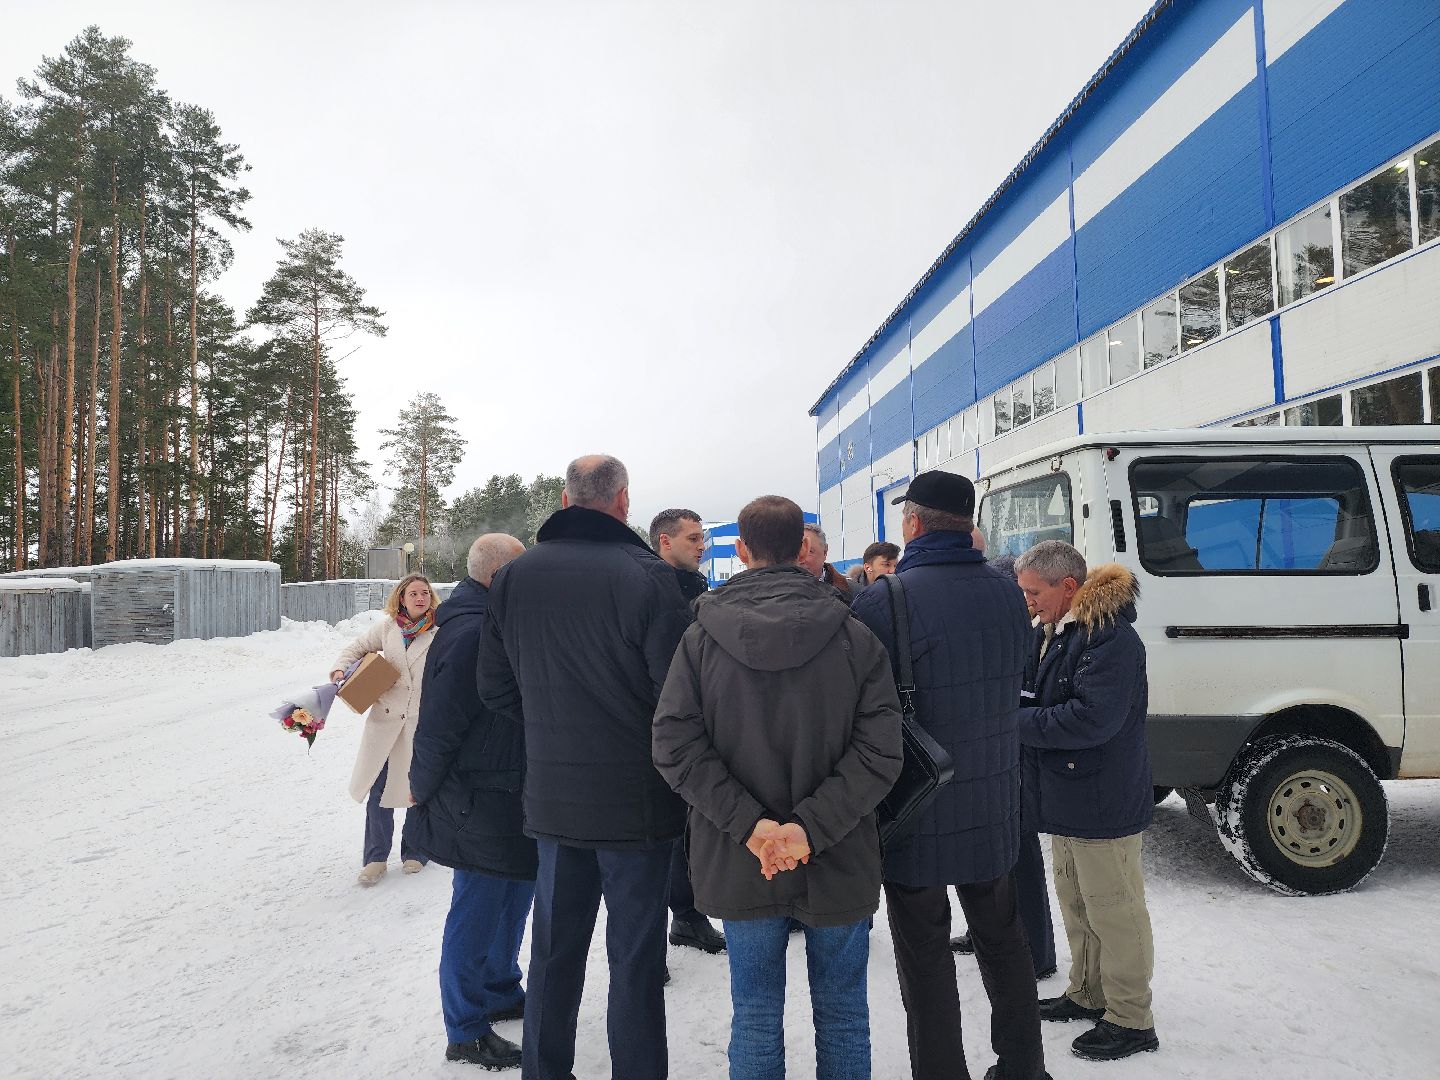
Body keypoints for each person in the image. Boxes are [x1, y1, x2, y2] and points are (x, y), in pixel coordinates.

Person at [653, 495, 903, 1080]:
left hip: (744, 857)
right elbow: (880, 751)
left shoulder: (701, 638)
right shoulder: (855, 635)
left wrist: (755, 827)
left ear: (741, 552)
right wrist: (802, 829)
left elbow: (674, 744)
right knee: (843, 1015)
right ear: (802, 551)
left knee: (756, 1015)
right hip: (836, 852)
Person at [479, 455, 692, 1080]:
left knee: (554, 952)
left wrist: (551, 724)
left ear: (567, 499)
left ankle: (545, 1071)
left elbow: (493, 687)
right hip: (636, 802)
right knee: (634, 956)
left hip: (554, 797)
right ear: (623, 501)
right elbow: (676, 696)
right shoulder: (649, 578)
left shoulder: (516, 576)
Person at [852, 472, 1049, 1080]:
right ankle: (1023, 1066)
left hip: (916, 800)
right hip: (992, 796)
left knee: (925, 953)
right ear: (968, 524)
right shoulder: (1009, 592)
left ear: (912, 523)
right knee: (1003, 938)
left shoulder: (887, 598)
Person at [1014, 540, 1160, 1062]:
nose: (1028, 601)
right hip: (1070, 795)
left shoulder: (1111, 639)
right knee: (1078, 903)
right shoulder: (1063, 631)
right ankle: (1089, 991)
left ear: (1068, 587)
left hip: (1103, 797)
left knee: (1115, 909)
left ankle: (1130, 1017)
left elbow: (1093, 718)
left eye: (1034, 592)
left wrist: (1014, 723)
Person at [408, 534, 532, 1071]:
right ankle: (464, 1028)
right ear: (499, 575)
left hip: (509, 786)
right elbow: (439, 724)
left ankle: (500, 986)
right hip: (476, 793)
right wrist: (422, 788)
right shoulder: (469, 632)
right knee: (478, 905)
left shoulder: (493, 621)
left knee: (514, 891)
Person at [947, 542, 1057, 981]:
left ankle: (1038, 951)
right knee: (985, 854)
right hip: (987, 753)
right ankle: (985, 930)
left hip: (1014, 756)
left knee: (1020, 854)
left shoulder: (1033, 630)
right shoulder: (1012, 624)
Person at [648, 508, 727, 957]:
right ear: (665, 540)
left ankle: (688, 914)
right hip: (659, 724)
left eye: (703, 538)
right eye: (693, 538)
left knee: (685, 828)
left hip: (693, 721)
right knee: (656, 837)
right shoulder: (650, 589)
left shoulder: (696, 588)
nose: (702, 545)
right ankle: (650, 940)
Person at [329, 573, 439, 887]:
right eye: (414, 593)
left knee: (417, 789)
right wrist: (340, 668)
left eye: (425, 593)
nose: (420, 598)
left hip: (420, 723)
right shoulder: (387, 628)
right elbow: (355, 649)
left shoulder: (439, 632)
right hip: (385, 722)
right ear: (401, 598)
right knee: (378, 790)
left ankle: (416, 851)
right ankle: (375, 858)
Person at [799, 522, 853, 603]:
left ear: (825, 552)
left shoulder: (854, 593)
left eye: (809, 551)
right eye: (795, 552)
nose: (800, 559)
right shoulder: (777, 593)